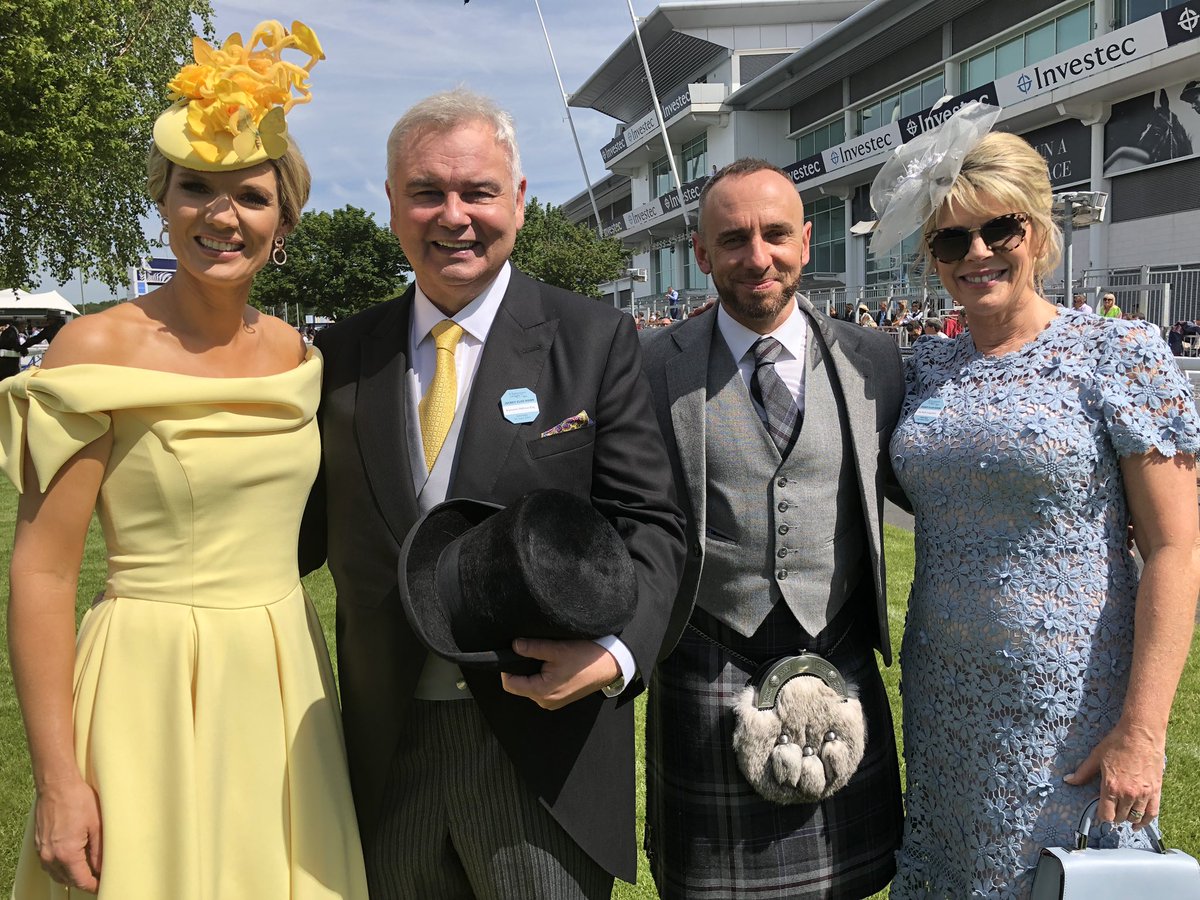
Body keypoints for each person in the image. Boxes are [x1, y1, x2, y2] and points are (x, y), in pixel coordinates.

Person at [1, 20, 368, 899]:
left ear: (284, 218)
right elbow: (44, 574)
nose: (221, 215)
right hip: (144, 682)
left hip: (281, 675)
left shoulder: (297, 353)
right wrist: (58, 779)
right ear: (163, 203)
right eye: (194, 189)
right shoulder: (94, 348)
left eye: (249, 195)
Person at [299, 88, 686, 899]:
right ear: (393, 205)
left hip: (541, 756)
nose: (454, 216)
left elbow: (651, 524)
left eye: (477, 192)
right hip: (383, 757)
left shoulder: (593, 340)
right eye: (426, 192)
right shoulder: (338, 356)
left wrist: (614, 656)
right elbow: (287, 535)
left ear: (518, 200)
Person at [871, 109, 1200, 897]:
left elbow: (1176, 548)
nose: (977, 254)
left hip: (1070, 710)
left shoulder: (1117, 355)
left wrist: (1143, 732)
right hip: (943, 697)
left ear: (1040, 233)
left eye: (1000, 230)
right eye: (953, 240)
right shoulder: (925, 368)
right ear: (933, 257)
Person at [640, 158, 905, 899]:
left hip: (839, 647)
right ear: (700, 252)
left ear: (806, 240)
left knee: (848, 884)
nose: (757, 257)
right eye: (733, 239)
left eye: (775, 234)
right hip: (704, 653)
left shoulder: (873, 358)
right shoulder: (650, 364)